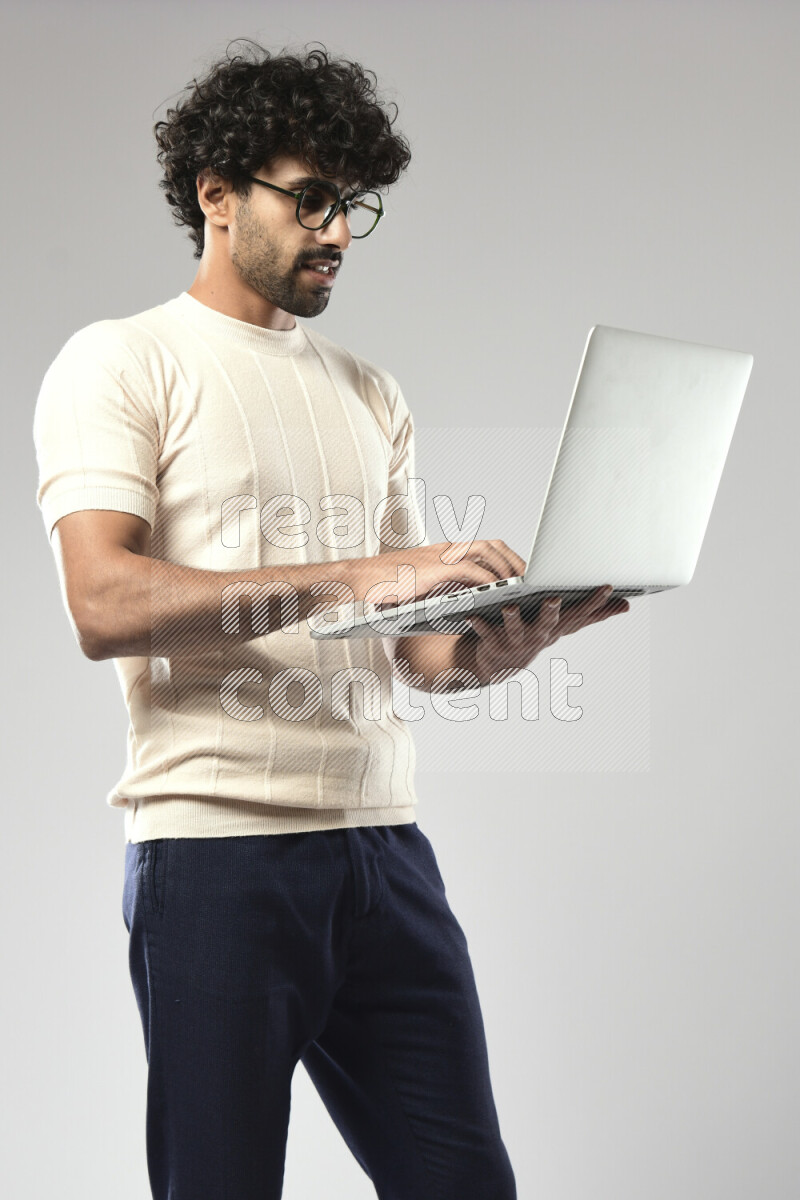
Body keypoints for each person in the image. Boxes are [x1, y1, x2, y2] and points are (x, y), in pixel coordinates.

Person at [32, 40, 628, 1200]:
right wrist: (354, 575)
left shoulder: (369, 392)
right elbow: (103, 603)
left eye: (354, 204)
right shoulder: (121, 363)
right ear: (215, 194)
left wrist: (504, 646)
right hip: (213, 858)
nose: (339, 231)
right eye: (311, 198)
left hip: (383, 855)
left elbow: (421, 656)